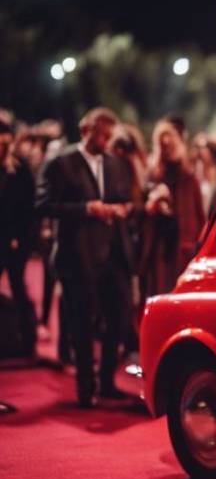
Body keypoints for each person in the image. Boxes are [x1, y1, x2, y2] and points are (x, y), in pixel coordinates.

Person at [35, 108, 135, 407]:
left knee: (118, 320)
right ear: (85, 130)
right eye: (100, 135)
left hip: (114, 255)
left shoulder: (116, 164)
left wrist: (122, 210)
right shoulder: (60, 163)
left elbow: (123, 200)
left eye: (108, 136)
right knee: (82, 323)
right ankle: (85, 387)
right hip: (77, 255)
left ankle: (106, 381)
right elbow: (43, 206)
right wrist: (86, 209)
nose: (105, 141)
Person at [138, 119, 206, 300]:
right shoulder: (152, 177)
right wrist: (152, 207)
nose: (169, 148)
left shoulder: (190, 179)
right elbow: (143, 215)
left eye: (172, 143)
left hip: (185, 250)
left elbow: (200, 218)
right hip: (161, 251)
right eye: (164, 145)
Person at [0, 120, 38, 357]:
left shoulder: (19, 170)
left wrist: (21, 239)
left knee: (18, 287)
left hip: (14, 241)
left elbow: (28, 208)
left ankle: (28, 341)